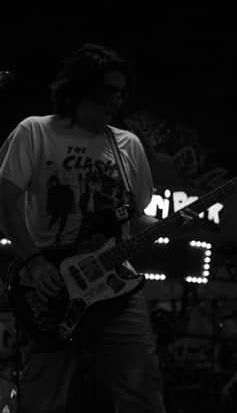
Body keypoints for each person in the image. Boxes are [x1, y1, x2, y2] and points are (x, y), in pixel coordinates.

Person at [0, 43, 166, 412]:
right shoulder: (35, 132)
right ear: (79, 88)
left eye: (122, 91)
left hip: (116, 287)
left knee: (141, 390)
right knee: (45, 397)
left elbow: (136, 217)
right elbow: (5, 203)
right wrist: (34, 262)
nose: (116, 99)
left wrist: (175, 226)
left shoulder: (127, 145)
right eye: (108, 90)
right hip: (51, 286)